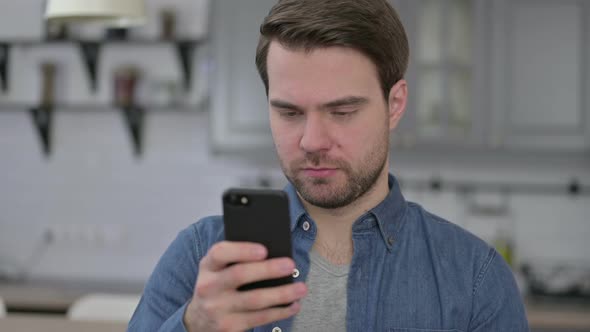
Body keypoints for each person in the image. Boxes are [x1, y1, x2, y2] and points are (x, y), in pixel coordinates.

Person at [129, 0, 529, 331]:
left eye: (342, 111)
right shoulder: (199, 257)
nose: (312, 141)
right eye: (289, 113)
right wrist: (194, 324)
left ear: (395, 105)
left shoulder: (475, 278)